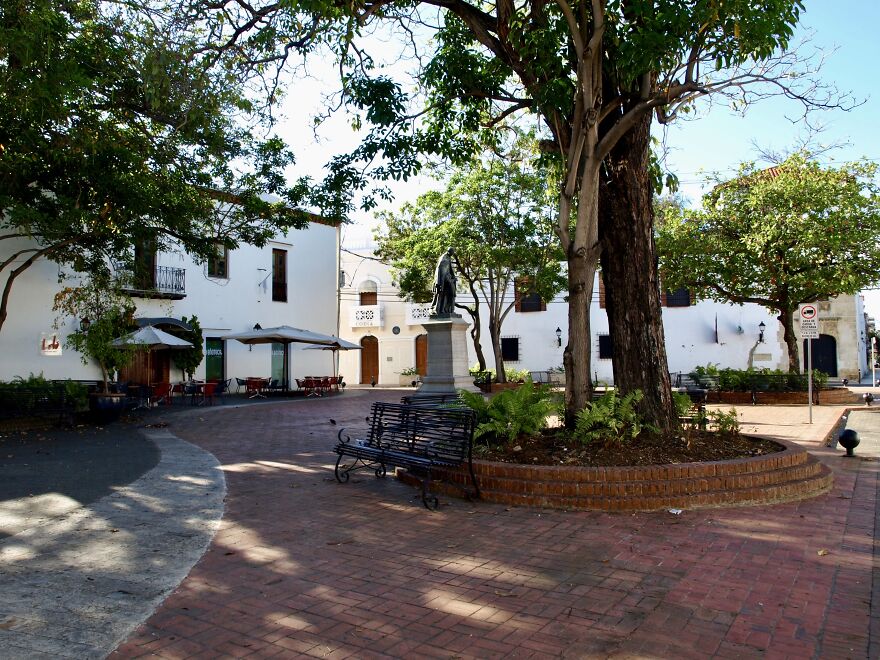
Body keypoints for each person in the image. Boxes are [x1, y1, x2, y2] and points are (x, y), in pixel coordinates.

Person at [431, 248, 456, 316]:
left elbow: (449, 269)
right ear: (449, 252)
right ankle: (438, 309)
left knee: (450, 294)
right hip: (442, 280)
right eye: (452, 252)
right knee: (441, 295)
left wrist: (453, 277)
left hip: (447, 279)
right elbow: (439, 270)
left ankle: (446, 309)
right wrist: (439, 282)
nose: (453, 254)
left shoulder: (448, 258)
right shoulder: (443, 258)